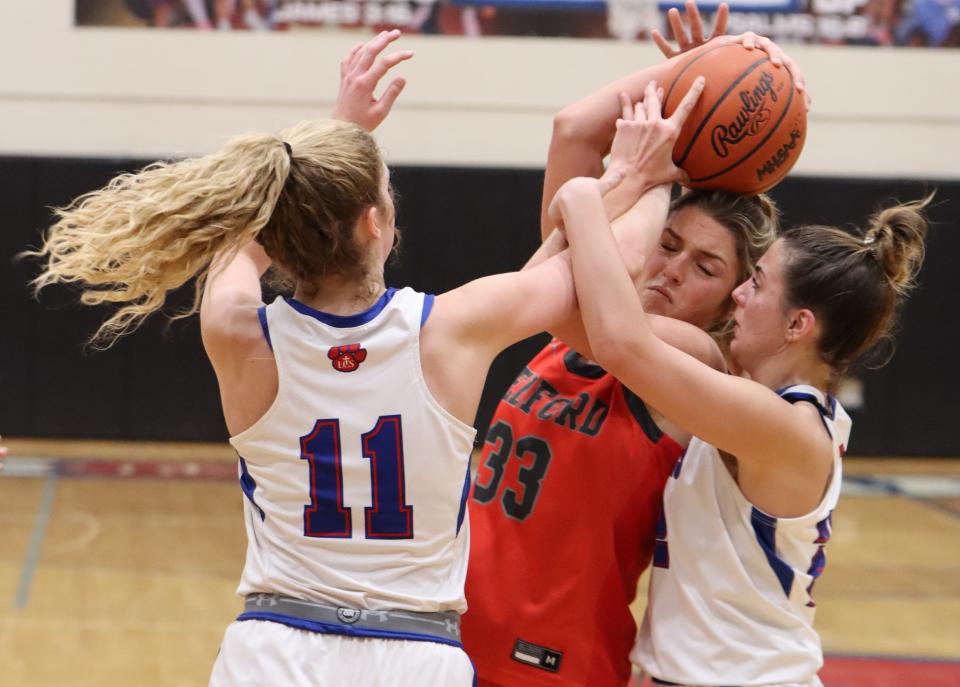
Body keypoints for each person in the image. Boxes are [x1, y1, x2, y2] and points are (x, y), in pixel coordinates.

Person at [28, 30, 702, 687]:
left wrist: (335, 131)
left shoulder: (236, 333)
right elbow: (600, 260)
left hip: (274, 649)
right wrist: (643, 174)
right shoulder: (453, 330)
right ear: (375, 223)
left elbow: (243, 244)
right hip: (412, 653)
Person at [554, 76, 928, 687]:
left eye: (757, 284)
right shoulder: (745, 390)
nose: (737, 293)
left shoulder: (783, 427)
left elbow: (622, 341)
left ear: (797, 325)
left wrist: (593, 197)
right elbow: (585, 322)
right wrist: (691, 112)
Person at [461, 7, 795, 686]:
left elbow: (574, 255)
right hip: (448, 639)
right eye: (670, 245)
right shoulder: (585, 306)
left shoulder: (697, 359)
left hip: (551, 662)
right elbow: (573, 127)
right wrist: (692, 85)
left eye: (705, 267)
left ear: (734, 301)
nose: (671, 268)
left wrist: (650, 176)